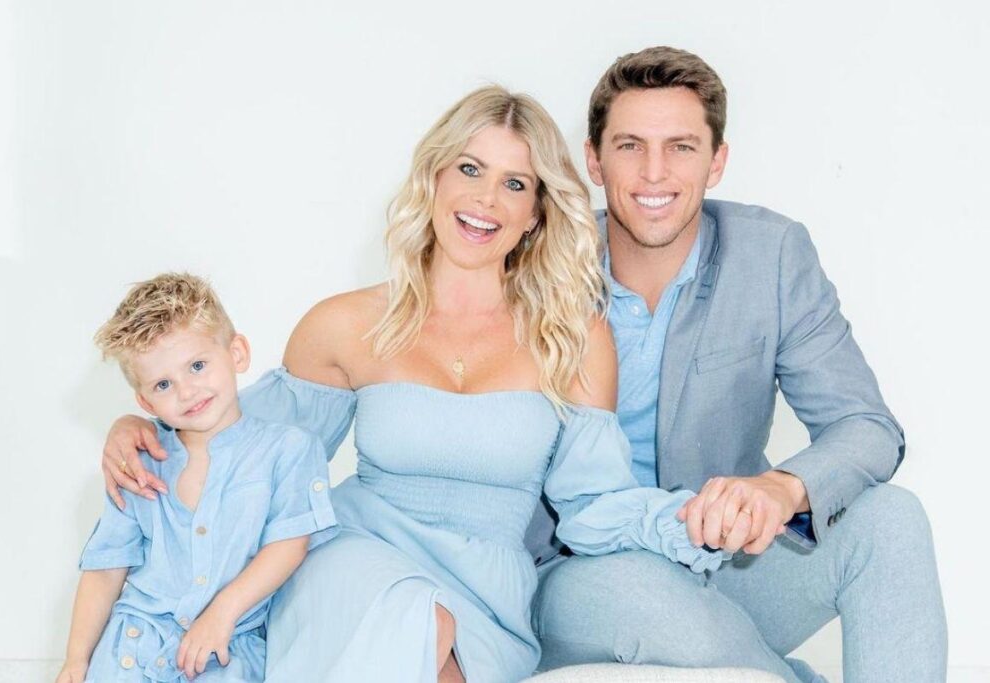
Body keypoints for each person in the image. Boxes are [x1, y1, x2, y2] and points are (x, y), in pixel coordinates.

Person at [97, 86, 728, 682]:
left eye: (514, 183)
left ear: (536, 213)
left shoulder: (573, 337)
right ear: (433, 179)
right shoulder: (345, 324)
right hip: (354, 560)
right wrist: (140, 430)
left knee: (435, 633)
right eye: (469, 169)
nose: (486, 199)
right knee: (418, 620)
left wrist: (694, 520)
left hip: (488, 595)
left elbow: (594, 506)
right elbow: (241, 445)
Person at [528, 46, 948, 682]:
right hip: (579, 572)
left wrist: (782, 487)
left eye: (681, 147)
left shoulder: (771, 255)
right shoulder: (536, 264)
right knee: (644, 593)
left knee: (892, 519)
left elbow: (867, 427)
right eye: (630, 146)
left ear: (717, 161)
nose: (653, 172)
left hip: (724, 558)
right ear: (593, 159)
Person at [57, 273, 337, 683]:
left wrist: (222, 612)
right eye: (164, 384)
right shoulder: (139, 464)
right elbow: (105, 569)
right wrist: (76, 660)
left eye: (198, 366)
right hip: (132, 648)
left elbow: (289, 544)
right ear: (145, 401)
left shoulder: (288, 450)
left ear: (237, 353)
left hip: (225, 649)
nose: (187, 391)